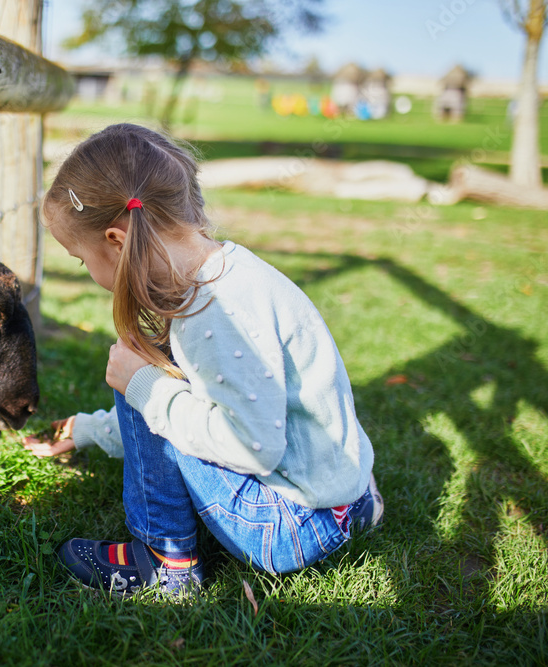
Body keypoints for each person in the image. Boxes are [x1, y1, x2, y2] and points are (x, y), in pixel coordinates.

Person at [25, 123, 383, 597]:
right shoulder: (232, 274)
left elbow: (253, 448)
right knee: (150, 381)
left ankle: (165, 561)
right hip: (342, 499)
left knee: (140, 376)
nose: (85, 271)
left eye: (79, 259)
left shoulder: (213, 314)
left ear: (115, 240)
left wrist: (144, 387)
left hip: (284, 528)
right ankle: (361, 507)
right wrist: (88, 430)